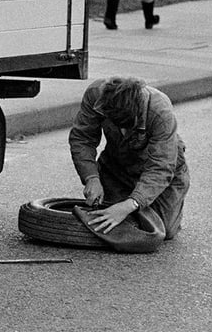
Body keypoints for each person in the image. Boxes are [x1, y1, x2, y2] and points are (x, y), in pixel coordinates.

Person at [68, 76, 190, 240]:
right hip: (118, 165)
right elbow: (82, 139)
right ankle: (129, 196)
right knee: (104, 216)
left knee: (164, 230)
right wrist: (91, 178)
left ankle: (145, 199)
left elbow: (161, 167)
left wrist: (130, 204)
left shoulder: (160, 112)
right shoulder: (97, 95)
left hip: (160, 169)